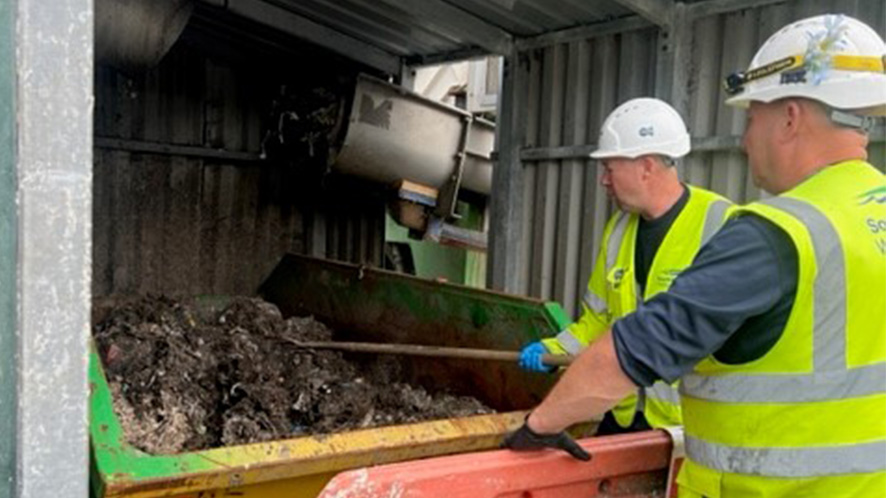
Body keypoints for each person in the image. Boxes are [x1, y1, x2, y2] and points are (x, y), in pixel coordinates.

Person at [504, 14, 886, 497]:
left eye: (751, 119)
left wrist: (538, 426)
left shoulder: (774, 234)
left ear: (790, 117)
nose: (745, 141)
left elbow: (634, 349)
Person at [517, 97, 731, 436]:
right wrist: (554, 349)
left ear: (646, 166)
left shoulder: (721, 224)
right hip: (625, 418)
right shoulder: (619, 230)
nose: (603, 180)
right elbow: (598, 319)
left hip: (687, 430)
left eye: (610, 168)